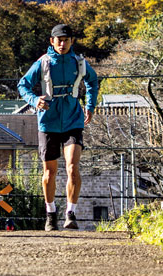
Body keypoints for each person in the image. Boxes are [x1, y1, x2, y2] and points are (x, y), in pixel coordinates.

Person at [17, 22, 101, 230]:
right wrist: (34, 100)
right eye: (59, 40)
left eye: (66, 40)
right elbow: (23, 84)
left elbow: (93, 81)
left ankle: (70, 214)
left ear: (72, 41)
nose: (62, 44)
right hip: (48, 122)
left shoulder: (79, 62)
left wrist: (89, 105)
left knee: (73, 167)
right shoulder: (43, 63)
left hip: (73, 120)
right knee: (49, 172)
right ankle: (51, 212)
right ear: (52, 41)